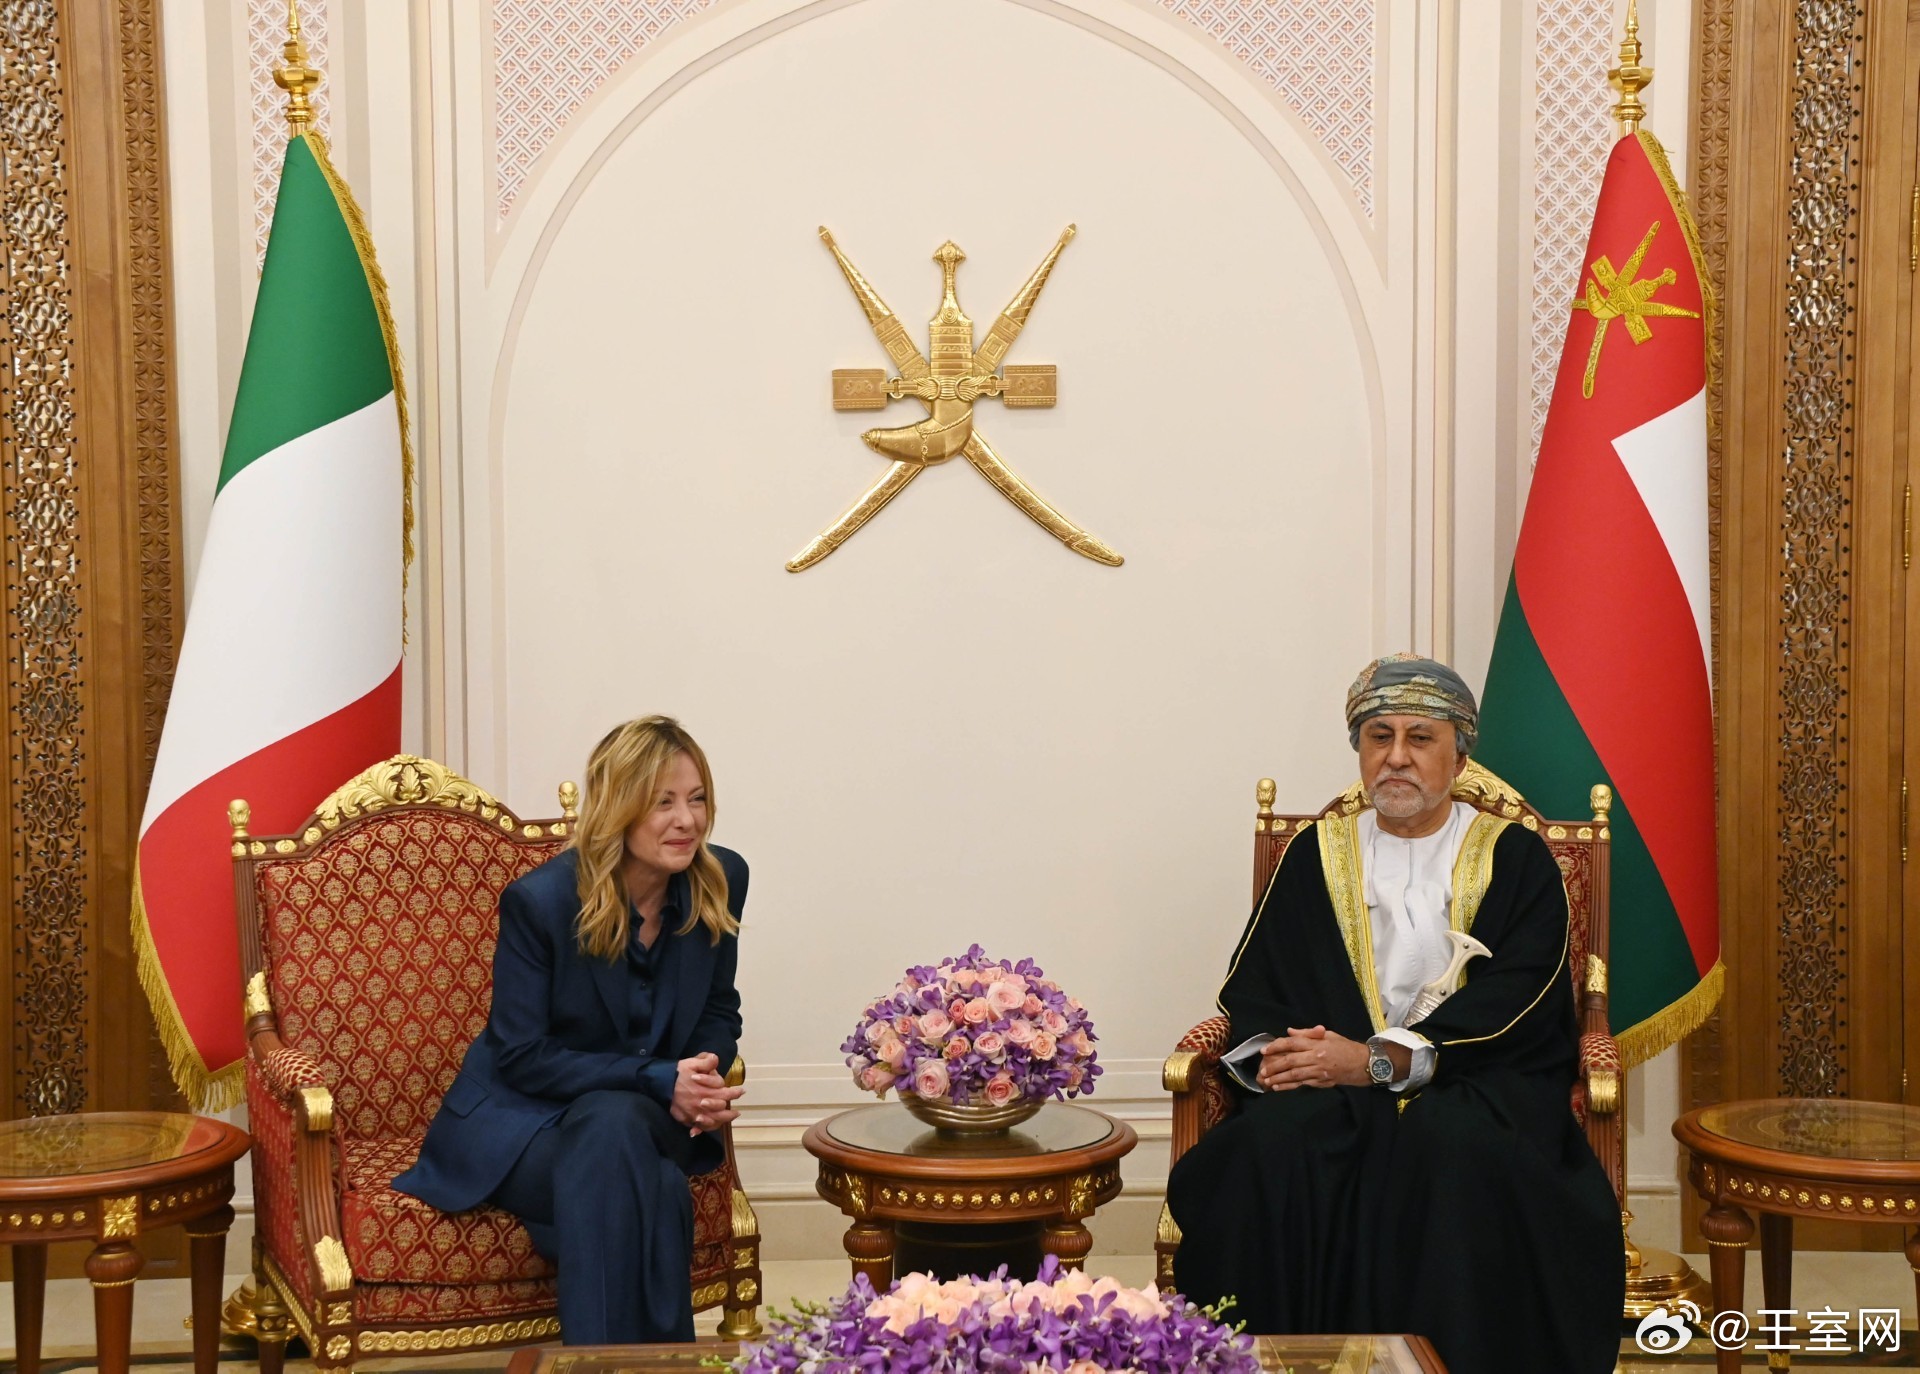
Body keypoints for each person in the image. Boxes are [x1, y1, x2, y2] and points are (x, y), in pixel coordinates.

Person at [1166, 654, 1622, 1374]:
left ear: (1459, 756)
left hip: (1475, 1079)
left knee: (1453, 1149)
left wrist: (1379, 1060)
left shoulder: (1516, 857)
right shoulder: (1316, 853)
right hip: (1331, 1081)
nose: (1397, 757)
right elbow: (1262, 986)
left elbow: (1523, 996)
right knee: (1267, 1154)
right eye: (1380, 737)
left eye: (1420, 738)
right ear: (1360, 750)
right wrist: (1303, 1055)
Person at [395, 716, 748, 1344]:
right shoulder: (543, 901)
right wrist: (658, 1078)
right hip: (526, 1123)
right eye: (662, 802)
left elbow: (720, 1010)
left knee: (613, 1131)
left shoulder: (721, 879)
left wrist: (700, 1073)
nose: (686, 820)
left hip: (641, 1119)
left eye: (696, 799)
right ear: (618, 808)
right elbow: (522, 1055)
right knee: (640, 1167)